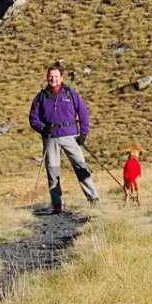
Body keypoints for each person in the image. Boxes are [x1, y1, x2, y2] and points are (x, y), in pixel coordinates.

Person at [28, 62, 99, 212]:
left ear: (61, 77)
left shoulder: (71, 94)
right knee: (52, 171)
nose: (53, 79)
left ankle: (94, 199)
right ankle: (57, 205)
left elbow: (83, 113)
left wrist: (83, 134)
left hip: (71, 136)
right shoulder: (40, 97)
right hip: (50, 138)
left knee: (81, 167)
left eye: (55, 76)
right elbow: (33, 118)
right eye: (50, 76)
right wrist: (43, 129)